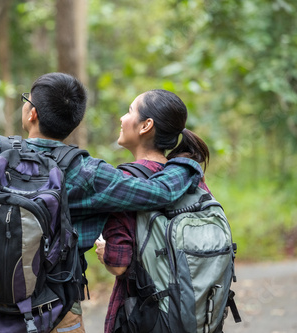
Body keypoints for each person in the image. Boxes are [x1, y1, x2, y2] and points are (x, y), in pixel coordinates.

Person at [0, 37, 204, 333]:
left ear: (32, 113)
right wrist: (187, 162)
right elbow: (158, 191)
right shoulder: (87, 173)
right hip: (58, 308)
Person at [95, 89, 211, 333]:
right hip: (189, 310)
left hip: (144, 316)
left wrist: (104, 251)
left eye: (129, 111)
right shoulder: (187, 176)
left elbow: (119, 265)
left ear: (146, 125)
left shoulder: (126, 182)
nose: (122, 119)